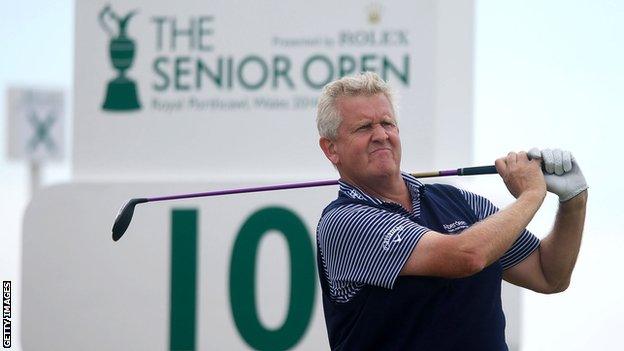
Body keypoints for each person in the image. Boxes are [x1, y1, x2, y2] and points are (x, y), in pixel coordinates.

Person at [315, 72, 588, 350]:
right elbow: (465, 257)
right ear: (331, 149)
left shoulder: (461, 202)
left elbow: (548, 274)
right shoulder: (343, 221)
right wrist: (531, 194)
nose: (381, 135)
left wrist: (573, 201)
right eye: (364, 127)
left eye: (388, 123)